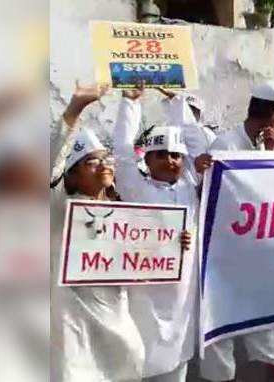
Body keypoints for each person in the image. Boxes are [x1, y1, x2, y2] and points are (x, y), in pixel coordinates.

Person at [197, 80, 274, 382]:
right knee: (221, 314)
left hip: (254, 243)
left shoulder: (264, 141)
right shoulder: (226, 144)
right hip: (224, 247)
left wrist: (273, 149)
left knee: (260, 306)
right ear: (273, 114)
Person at [50, 82, 146, 381]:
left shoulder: (121, 209)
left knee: (130, 360)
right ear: (74, 175)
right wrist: (74, 110)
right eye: (92, 162)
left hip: (116, 312)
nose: (103, 165)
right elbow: (49, 169)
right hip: (74, 319)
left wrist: (174, 245)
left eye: (106, 159)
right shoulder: (61, 208)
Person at [112, 83, 196, 382]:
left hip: (183, 296)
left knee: (178, 360)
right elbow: (122, 154)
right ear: (147, 160)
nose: (170, 160)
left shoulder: (190, 187)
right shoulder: (136, 188)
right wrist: (131, 104)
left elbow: (193, 144)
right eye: (160, 154)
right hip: (145, 294)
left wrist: (176, 103)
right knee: (142, 359)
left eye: (175, 155)